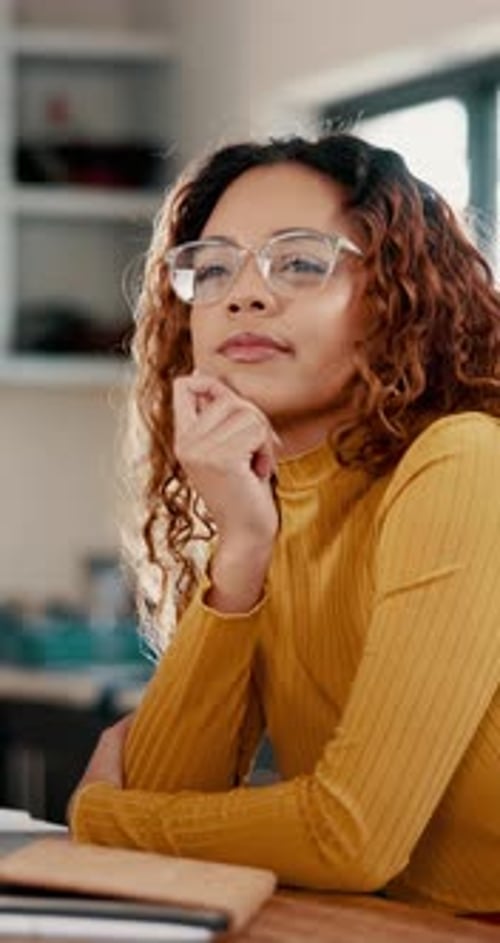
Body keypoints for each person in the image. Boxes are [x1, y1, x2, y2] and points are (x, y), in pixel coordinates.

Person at [68, 132, 500, 917]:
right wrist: (241, 547)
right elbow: (169, 790)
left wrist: (98, 812)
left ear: (400, 294)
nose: (245, 294)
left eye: (300, 261)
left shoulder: (464, 460)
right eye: (213, 266)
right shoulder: (265, 507)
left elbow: (351, 833)